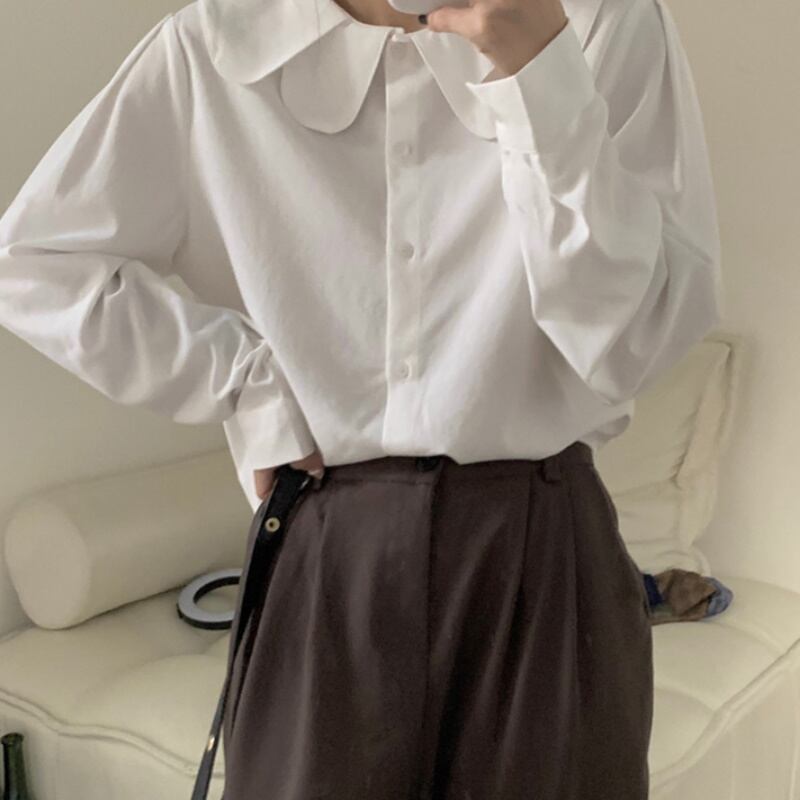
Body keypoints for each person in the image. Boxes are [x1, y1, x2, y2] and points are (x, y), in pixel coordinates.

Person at [0, 0, 721, 796]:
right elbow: (35, 264)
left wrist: (539, 73)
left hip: (543, 548)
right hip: (325, 546)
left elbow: (633, 347)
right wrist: (245, 384)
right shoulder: (215, 47)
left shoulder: (601, 20)